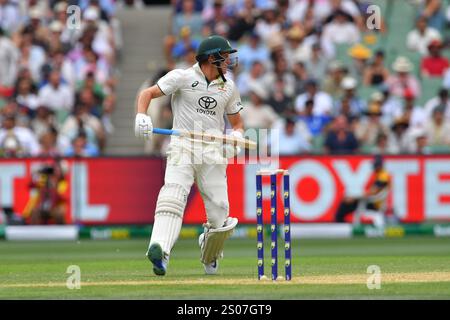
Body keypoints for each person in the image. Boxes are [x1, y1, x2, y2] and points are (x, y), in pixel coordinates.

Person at [134, 35, 243, 276]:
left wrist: (236, 137)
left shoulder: (229, 87)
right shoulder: (182, 77)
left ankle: (210, 252)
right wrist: (142, 116)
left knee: (220, 213)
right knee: (172, 196)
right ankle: (160, 251)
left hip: (212, 152)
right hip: (182, 147)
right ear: (212, 58)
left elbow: (237, 124)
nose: (228, 61)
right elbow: (147, 95)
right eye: (224, 57)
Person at [335, 155, 391, 224]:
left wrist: (354, 198)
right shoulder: (379, 174)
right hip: (370, 201)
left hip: (373, 204)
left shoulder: (383, 176)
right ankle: (341, 223)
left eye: (375, 164)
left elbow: (373, 192)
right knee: (346, 202)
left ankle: (341, 224)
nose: (374, 166)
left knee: (345, 204)